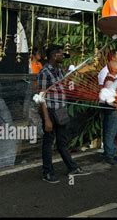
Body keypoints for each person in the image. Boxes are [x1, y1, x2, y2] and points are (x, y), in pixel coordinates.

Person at [38, 44, 90, 183]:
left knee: (62, 141)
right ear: (54, 55)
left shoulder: (59, 70)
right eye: (61, 54)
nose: (63, 56)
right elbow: (41, 97)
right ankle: (47, 172)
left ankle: (72, 167)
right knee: (48, 142)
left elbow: (63, 88)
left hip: (60, 110)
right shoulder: (44, 72)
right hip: (50, 111)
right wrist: (46, 119)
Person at [102, 60, 117, 165]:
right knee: (110, 133)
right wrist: (116, 105)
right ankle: (109, 155)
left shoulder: (114, 79)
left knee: (115, 131)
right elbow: (108, 99)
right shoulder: (110, 81)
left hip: (116, 110)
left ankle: (113, 152)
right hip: (112, 110)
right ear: (113, 69)